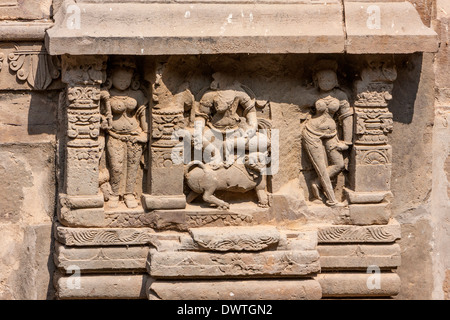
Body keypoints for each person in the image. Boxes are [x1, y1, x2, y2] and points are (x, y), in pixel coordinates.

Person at [302, 60, 353, 206]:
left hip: (332, 134)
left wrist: (347, 142)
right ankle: (332, 200)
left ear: (336, 80)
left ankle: (316, 183)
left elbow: (346, 117)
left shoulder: (341, 96)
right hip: (311, 133)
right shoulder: (312, 94)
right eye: (323, 79)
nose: (326, 82)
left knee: (339, 165)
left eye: (330, 79)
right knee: (321, 166)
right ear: (316, 80)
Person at [101, 58, 148, 209]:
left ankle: (129, 194)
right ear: (110, 77)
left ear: (132, 78)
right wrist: (102, 119)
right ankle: (115, 194)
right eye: (119, 78)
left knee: (133, 167)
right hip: (115, 135)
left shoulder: (138, 94)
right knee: (116, 166)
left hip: (134, 135)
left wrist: (146, 132)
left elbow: (143, 115)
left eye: (126, 79)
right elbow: (99, 114)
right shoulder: (107, 95)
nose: (122, 82)